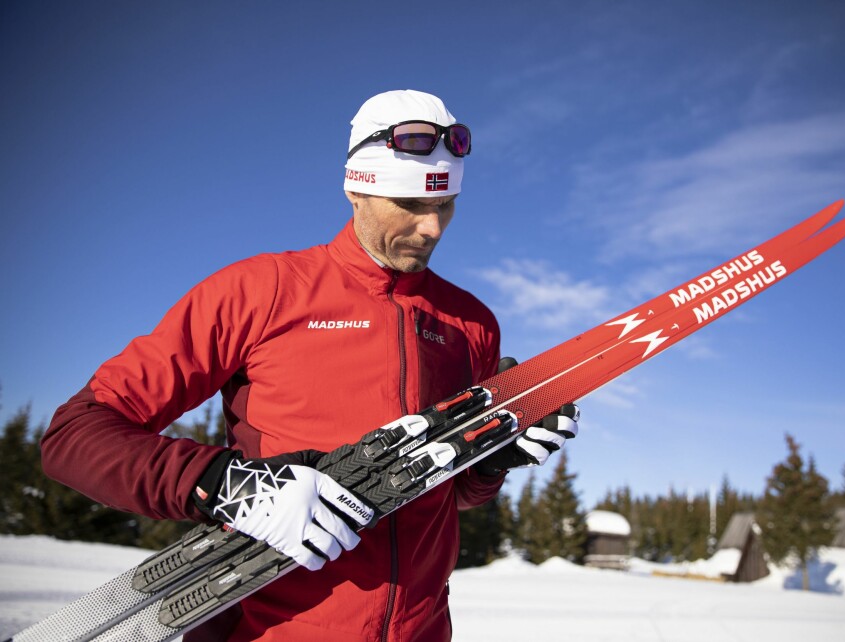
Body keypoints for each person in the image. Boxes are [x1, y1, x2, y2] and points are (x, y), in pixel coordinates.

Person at [40, 89, 578, 641]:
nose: (432, 229)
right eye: (411, 205)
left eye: (444, 205)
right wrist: (228, 485)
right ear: (356, 187)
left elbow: (450, 493)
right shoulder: (261, 290)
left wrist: (490, 460)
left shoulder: (472, 323)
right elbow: (75, 435)